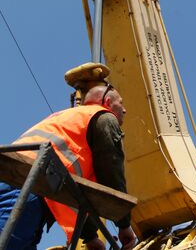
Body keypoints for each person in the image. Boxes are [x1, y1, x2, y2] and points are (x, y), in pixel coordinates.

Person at [0, 84, 136, 250]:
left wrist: (90, 237)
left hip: (18, 180)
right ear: (107, 102)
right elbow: (111, 169)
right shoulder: (103, 117)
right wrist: (124, 223)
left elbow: (73, 193)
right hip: (27, 186)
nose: (124, 110)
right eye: (121, 103)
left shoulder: (68, 119)